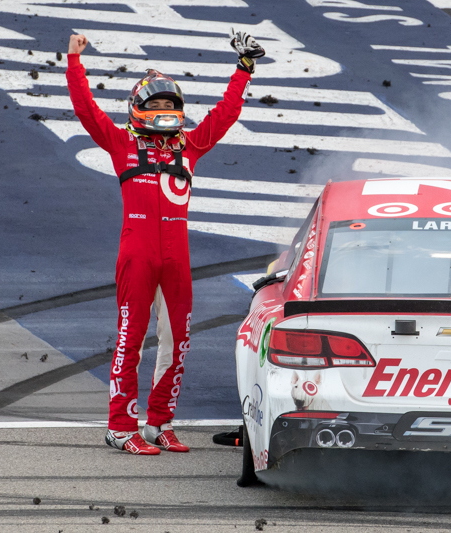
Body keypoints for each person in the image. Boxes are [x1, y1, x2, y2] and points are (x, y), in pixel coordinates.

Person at [66, 31, 265, 455]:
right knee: (131, 339)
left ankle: (159, 423)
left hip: (177, 259)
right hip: (136, 255)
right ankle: (120, 427)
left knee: (177, 342)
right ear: (137, 110)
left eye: (170, 105)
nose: (164, 111)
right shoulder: (122, 144)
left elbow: (224, 115)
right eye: (156, 105)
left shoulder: (190, 146)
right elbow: (86, 111)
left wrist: (244, 69)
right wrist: (74, 62)